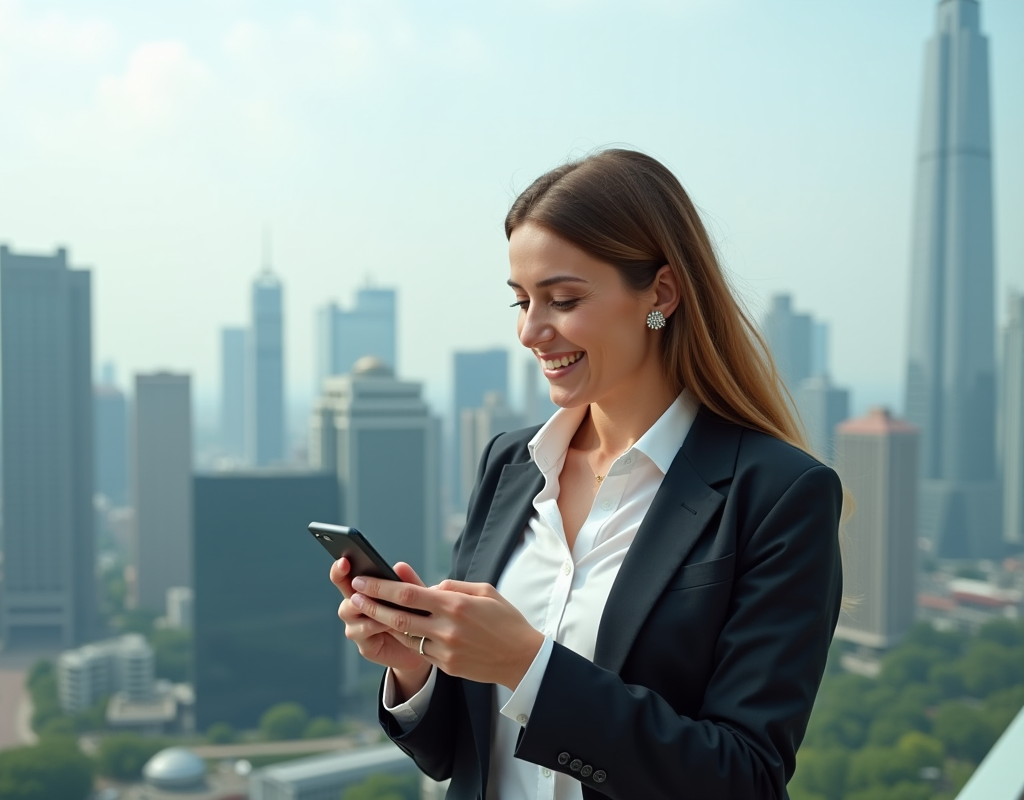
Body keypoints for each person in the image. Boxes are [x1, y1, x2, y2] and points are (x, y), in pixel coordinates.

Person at [329, 149, 843, 799]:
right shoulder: (510, 466)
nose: (531, 331)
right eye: (520, 302)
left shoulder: (778, 495)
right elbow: (464, 755)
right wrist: (416, 668)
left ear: (660, 292)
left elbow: (743, 778)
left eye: (563, 299)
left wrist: (526, 663)